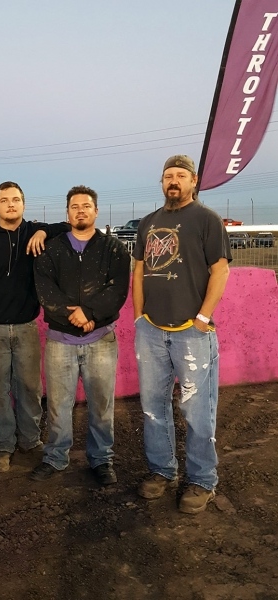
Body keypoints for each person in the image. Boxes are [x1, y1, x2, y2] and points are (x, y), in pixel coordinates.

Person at [132, 155, 232, 514]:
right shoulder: (148, 222)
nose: (173, 181)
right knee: (153, 407)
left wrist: (202, 318)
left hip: (192, 333)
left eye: (180, 175)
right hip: (151, 332)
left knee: (197, 409)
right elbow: (139, 270)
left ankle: (202, 479)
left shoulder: (207, 220)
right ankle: (162, 470)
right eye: (167, 176)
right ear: (162, 182)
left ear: (194, 181)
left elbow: (220, 270)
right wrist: (139, 318)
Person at [0, 181, 69, 473]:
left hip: (26, 327)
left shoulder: (32, 232)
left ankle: (30, 441)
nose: (10, 204)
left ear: (23, 204)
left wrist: (43, 231)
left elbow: (67, 226)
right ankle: (3, 446)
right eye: (4, 200)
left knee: (31, 389)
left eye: (15, 200)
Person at [29, 185, 130, 485]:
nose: (80, 210)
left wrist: (91, 313)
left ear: (96, 211)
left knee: (101, 404)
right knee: (58, 405)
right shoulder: (52, 250)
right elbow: (45, 290)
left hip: (101, 340)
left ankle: (101, 459)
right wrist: (72, 315)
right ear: (68, 213)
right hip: (60, 342)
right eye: (75, 206)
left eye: (86, 206)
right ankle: (56, 457)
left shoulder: (114, 248)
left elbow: (117, 289)